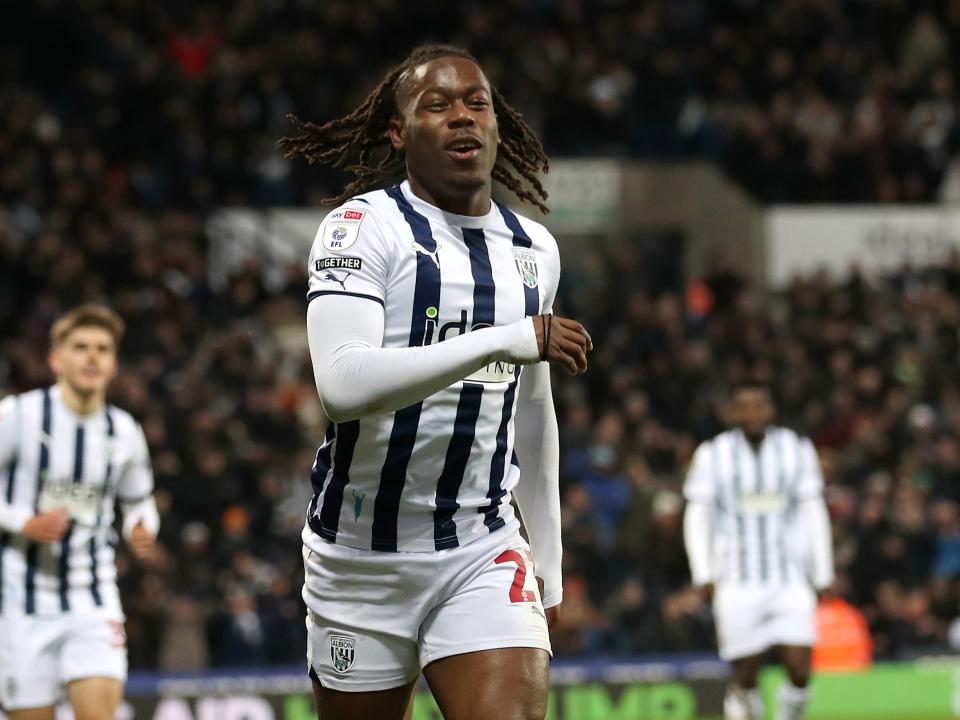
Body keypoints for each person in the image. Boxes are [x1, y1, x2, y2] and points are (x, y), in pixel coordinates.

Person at [278, 44, 592, 720]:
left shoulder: (534, 250)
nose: (462, 118)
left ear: (496, 124)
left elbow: (532, 410)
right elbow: (342, 384)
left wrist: (551, 559)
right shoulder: (362, 229)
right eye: (438, 105)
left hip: (479, 545)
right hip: (359, 559)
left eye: (476, 103)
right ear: (399, 131)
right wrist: (506, 339)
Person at [0, 304, 159, 720]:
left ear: (113, 363)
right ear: (56, 359)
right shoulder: (18, 416)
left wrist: (141, 528)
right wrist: (22, 522)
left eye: (103, 348)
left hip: (92, 597)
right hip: (21, 600)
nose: (92, 356)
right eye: (81, 347)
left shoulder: (123, 430)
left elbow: (139, 499)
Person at [683, 381, 834, 720]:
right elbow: (697, 515)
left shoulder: (797, 449)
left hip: (790, 578)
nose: (752, 413)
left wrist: (823, 572)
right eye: (744, 406)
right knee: (744, 674)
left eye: (758, 405)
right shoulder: (712, 454)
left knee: (800, 670)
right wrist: (703, 572)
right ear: (733, 412)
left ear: (770, 410)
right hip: (736, 580)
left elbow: (813, 511)